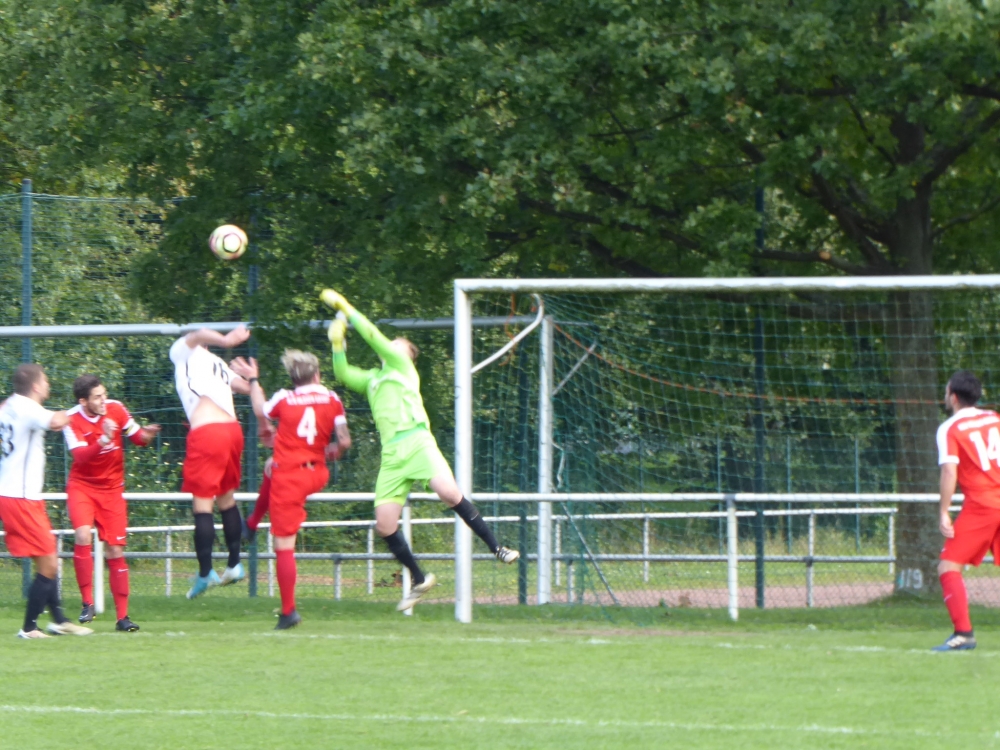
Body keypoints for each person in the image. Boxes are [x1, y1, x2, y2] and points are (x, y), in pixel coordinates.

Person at [321, 290, 519, 612]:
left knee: (449, 493)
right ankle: (418, 578)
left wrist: (347, 309)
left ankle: (497, 547)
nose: (392, 345)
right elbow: (342, 374)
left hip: (417, 442)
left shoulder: (402, 368)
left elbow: (374, 338)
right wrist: (337, 343)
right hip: (392, 455)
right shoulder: (372, 380)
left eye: (398, 345)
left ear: (408, 356)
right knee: (384, 525)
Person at [231, 350, 351, 629]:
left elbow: (260, 409)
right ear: (317, 375)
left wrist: (253, 380)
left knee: (283, 546)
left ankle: (289, 612)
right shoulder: (333, 398)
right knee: (271, 465)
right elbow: (344, 441)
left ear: (293, 378)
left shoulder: (285, 398)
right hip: (316, 472)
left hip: (291, 478)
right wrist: (330, 452)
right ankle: (251, 524)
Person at [0, 364, 92, 638]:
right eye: (46, 380)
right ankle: (29, 628)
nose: (48, 385)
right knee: (49, 563)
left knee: (48, 557)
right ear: (36, 386)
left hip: (17, 495)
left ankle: (59, 621)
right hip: (21, 497)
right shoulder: (28, 408)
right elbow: (55, 421)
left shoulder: (9, 405)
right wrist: (80, 409)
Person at [63, 374, 160, 631]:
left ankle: (122, 618)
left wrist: (147, 435)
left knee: (115, 551)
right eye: (97, 397)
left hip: (112, 490)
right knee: (82, 534)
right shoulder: (70, 419)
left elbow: (137, 438)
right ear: (83, 401)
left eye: (104, 394)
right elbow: (81, 457)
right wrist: (104, 439)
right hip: (82, 487)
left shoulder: (116, 408)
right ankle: (87, 603)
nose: (103, 400)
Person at [169, 326, 252, 599]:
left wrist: (227, 340)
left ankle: (206, 573)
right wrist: (252, 377)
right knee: (226, 500)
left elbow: (197, 334)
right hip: (232, 432)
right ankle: (234, 565)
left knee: (202, 506)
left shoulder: (183, 351)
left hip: (208, 433)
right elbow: (245, 387)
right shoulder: (217, 364)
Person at [934, 370, 1000, 651]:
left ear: (953, 397)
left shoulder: (949, 428)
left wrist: (944, 511)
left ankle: (964, 634)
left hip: (983, 504)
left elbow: (950, 471)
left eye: (946, 391)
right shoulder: (995, 418)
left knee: (948, 566)